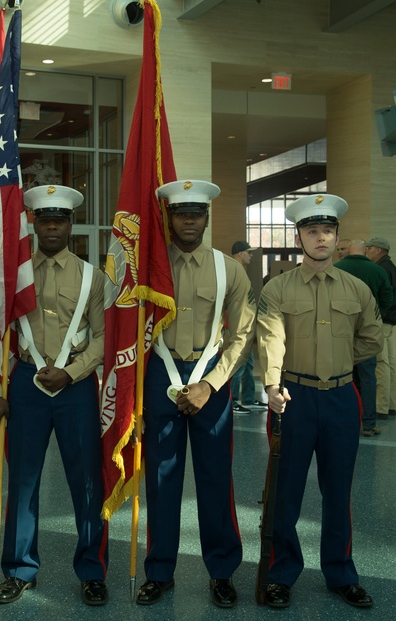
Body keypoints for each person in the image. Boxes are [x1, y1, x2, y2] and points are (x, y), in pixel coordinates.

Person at [0, 185, 109, 606]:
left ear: (71, 224)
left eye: (60, 218)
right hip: (24, 386)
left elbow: (105, 338)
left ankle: (92, 570)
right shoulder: (13, 275)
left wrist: (73, 372)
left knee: (88, 482)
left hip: (75, 389)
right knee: (22, 481)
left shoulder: (92, 277)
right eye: (44, 218)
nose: (52, 225)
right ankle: (19, 569)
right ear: (33, 223)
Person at [256, 194, 382, 610]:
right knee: (286, 491)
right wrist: (273, 385)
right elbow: (271, 338)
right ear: (299, 237)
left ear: (338, 238)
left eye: (328, 231)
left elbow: (371, 337)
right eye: (312, 231)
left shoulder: (358, 288)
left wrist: (343, 363)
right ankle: (281, 574)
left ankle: (341, 573)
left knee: (338, 491)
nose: (321, 238)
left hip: (343, 399)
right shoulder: (278, 288)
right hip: (294, 396)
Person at [136, 180, 256, 608]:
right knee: (162, 480)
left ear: (207, 217)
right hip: (159, 378)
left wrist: (211, 383)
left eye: (197, 213)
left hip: (212, 381)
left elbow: (243, 333)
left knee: (215, 479)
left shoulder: (230, 269)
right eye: (180, 213)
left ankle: (221, 571)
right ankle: (159, 571)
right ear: (168, 217)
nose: (189, 220)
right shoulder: (149, 268)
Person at [334, 239, 392, 438]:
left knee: (343, 377)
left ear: (348, 251)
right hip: (367, 332)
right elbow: (388, 300)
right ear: (365, 251)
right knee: (368, 377)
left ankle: (347, 421)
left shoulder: (336, 269)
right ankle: (369, 423)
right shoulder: (377, 271)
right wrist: (375, 318)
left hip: (342, 332)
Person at [366, 237, 396, 421]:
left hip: (382, 320)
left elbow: (387, 299)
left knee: (381, 363)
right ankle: (390, 405)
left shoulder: (382, 269)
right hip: (390, 321)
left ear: (379, 250)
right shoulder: (393, 268)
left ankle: (380, 407)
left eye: (369, 248)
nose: (367, 251)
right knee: (390, 364)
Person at [229, 240, 260, 413]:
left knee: (247, 364)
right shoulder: (233, 271)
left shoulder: (240, 271)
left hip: (245, 325)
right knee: (238, 363)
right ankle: (232, 401)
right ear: (241, 254)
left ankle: (248, 398)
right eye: (249, 252)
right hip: (237, 326)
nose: (251, 255)